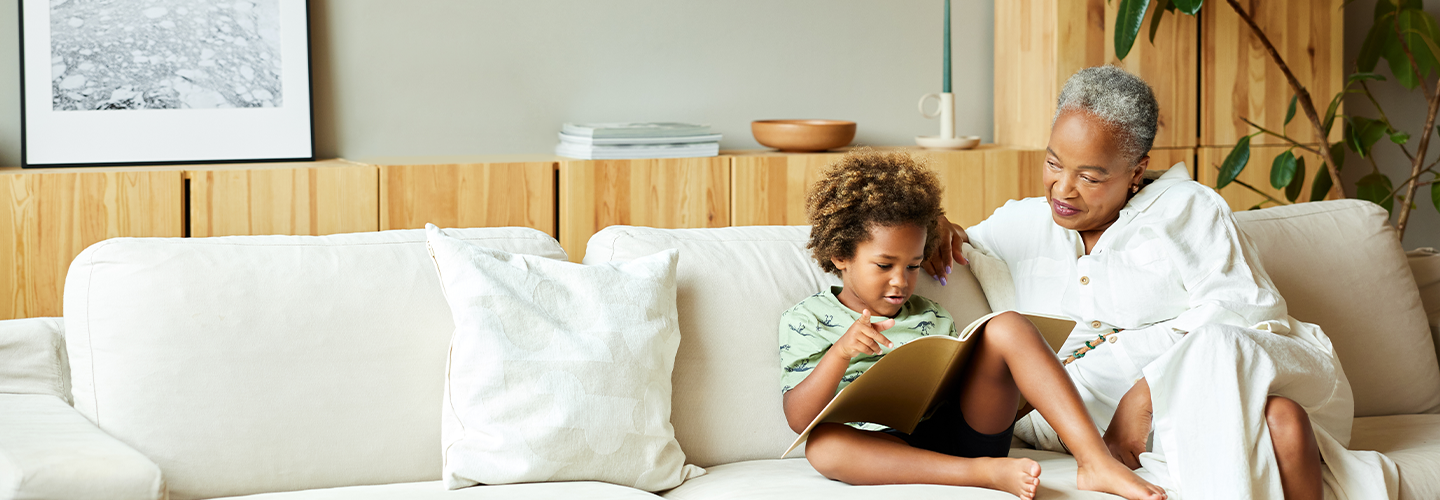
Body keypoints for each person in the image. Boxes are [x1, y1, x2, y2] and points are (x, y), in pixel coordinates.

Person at [923, 66, 1396, 499]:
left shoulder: (1188, 209)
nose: (1063, 189)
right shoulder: (1022, 223)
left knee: (1225, 352)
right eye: (1053, 164)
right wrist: (935, 221)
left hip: (1204, 389)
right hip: (1092, 421)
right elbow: (942, 244)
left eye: (1089, 176)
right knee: (1283, 421)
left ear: (1136, 170)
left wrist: (1148, 388)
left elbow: (1250, 313)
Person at [778, 149, 1167, 500]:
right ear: (841, 255)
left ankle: (1096, 461)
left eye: (913, 266)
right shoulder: (806, 320)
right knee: (824, 446)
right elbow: (799, 418)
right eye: (884, 266)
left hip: (957, 432)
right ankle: (981, 475)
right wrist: (841, 352)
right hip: (881, 451)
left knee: (1008, 326)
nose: (901, 280)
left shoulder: (930, 313)